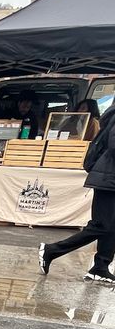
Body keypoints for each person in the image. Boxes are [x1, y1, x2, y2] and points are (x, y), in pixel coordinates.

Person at [39, 103, 115, 284]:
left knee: (111, 226)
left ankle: (101, 267)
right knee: (101, 225)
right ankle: (51, 250)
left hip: (109, 177)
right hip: (108, 178)